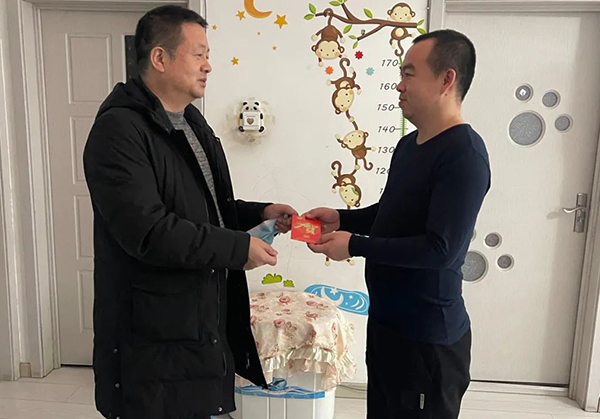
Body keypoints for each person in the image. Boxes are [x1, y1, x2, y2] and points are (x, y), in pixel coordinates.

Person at [83, 6, 296, 419]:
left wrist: (260, 212)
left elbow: (207, 208)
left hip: (197, 323)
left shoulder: (191, 123)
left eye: (208, 55)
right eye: (198, 54)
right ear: (160, 58)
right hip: (152, 338)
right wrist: (238, 248)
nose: (208, 66)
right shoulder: (119, 131)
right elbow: (149, 231)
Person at [306, 29, 491, 419]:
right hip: (388, 326)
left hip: (427, 340)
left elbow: (440, 249)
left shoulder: (464, 154)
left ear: (446, 80)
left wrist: (354, 244)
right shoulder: (410, 144)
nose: (399, 84)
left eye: (409, 73)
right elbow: (392, 213)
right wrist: (342, 218)